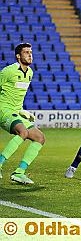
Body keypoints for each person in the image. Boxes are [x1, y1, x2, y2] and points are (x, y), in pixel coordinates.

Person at [0, 43, 45, 185]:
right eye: (26, 52)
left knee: (40, 137)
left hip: (15, 111)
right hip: (3, 110)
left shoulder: (30, 73)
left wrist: (22, 111)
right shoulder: (8, 71)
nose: (30, 55)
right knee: (23, 132)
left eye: (31, 52)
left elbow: (17, 97)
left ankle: (19, 172)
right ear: (18, 56)